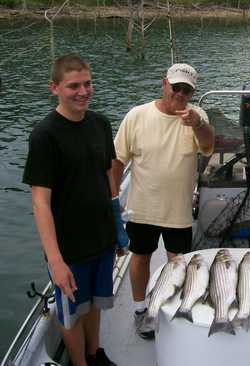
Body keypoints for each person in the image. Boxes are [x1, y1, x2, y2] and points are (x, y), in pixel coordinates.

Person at [22, 54, 127, 366]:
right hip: (69, 246)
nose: (83, 91)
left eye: (87, 83)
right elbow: (40, 202)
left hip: (102, 238)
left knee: (96, 303)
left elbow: (109, 177)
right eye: (73, 86)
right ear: (54, 88)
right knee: (70, 314)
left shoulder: (100, 124)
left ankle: (95, 354)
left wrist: (117, 229)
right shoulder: (45, 135)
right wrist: (55, 260)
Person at [113, 63, 214, 339]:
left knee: (178, 263)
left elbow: (208, 145)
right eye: (176, 87)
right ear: (164, 84)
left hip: (178, 211)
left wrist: (199, 124)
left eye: (186, 90)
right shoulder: (137, 116)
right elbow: (118, 160)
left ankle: (173, 309)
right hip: (142, 208)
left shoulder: (198, 115)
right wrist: (113, 201)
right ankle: (139, 308)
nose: (180, 94)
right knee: (140, 257)